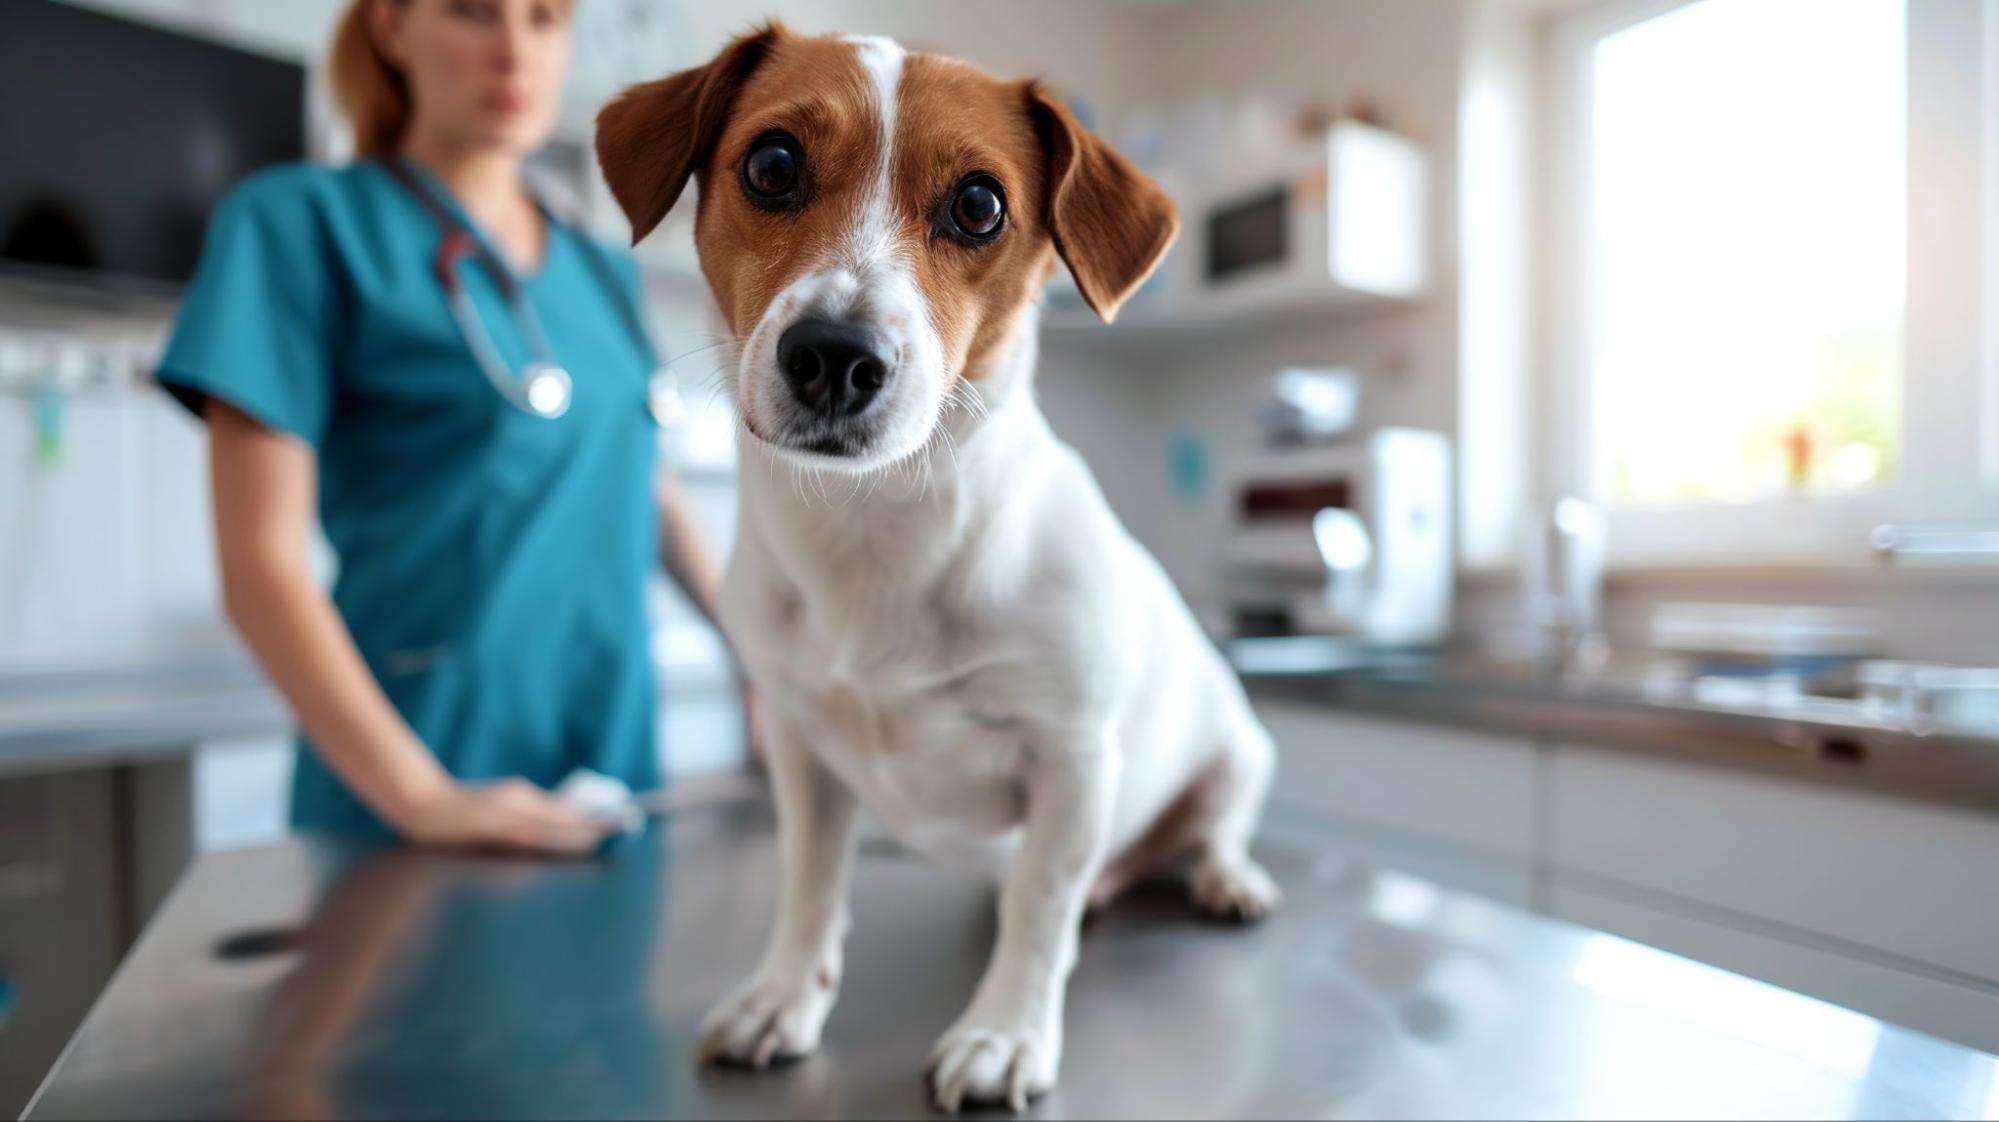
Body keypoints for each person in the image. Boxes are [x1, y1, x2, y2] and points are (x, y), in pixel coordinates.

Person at [157, 0, 734, 854]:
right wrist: (425, 799)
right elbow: (259, 571)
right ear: (391, 27)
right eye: (473, 11)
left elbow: (644, 488)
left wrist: (761, 663)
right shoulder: (297, 225)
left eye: (543, 19)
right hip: (417, 777)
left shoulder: (603, 272)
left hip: (612, 759)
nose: (513, 51)